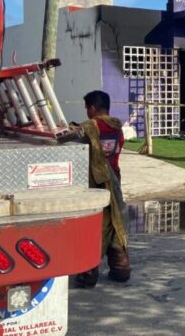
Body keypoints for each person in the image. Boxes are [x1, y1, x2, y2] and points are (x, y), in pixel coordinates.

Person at [73, 90, 131, 288]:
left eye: (87, 108)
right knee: (116, 224)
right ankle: (121, 270)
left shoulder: (88, 127)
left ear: (92, 108)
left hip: (94, 184)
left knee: (95, 226)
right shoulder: (117, 127)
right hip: (114, 182)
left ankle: (89, 274)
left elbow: (74, 146)